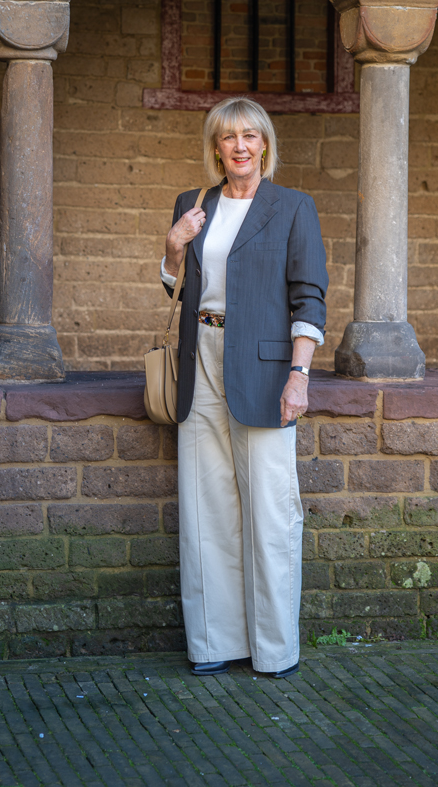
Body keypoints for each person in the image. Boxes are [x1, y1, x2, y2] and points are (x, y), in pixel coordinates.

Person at [160, 96, 328, 678]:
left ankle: (274, 650)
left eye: (250, 136)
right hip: (200, 356)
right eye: (229, 136)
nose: (240, 147)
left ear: (264, 145)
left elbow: (310, 298)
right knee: (206, 507)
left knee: (269, 509)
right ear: (215, 146)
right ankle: (214, 643)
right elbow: (176, 289)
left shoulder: (292, 207)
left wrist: (299, 376)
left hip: (264, 367)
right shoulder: (194, 203)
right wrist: (173, 245)